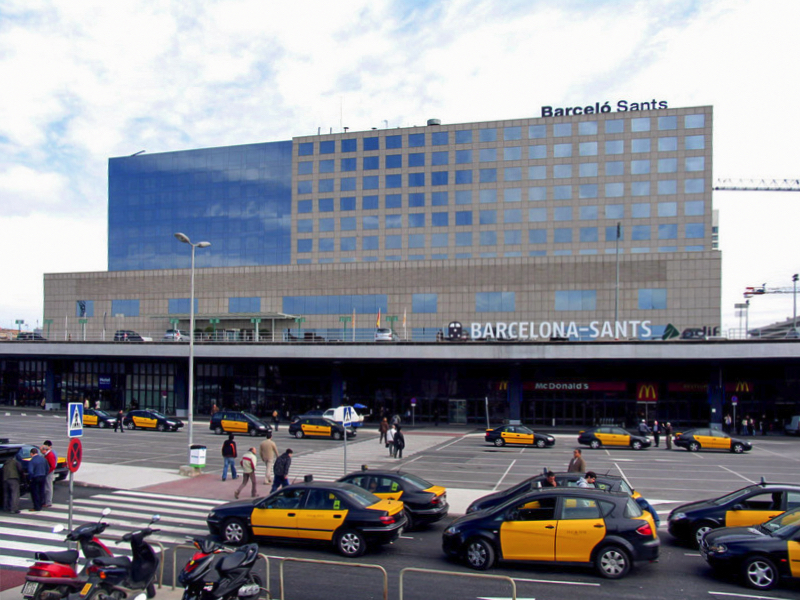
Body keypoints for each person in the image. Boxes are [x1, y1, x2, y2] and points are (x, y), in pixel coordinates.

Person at [41, 441, 57, 508]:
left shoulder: (50, 455)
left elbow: (53, 466)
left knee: (48, 487)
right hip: (48, 472)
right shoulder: (47, 454)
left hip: (49, 472)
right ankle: (47, 501)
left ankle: (48, 502)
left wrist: (47, 472)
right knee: (47, 487)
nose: (41, 452)